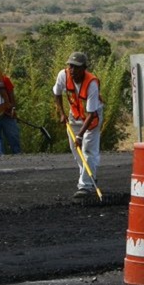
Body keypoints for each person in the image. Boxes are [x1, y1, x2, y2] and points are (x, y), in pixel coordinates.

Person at [53, 52, 105, 198]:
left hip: (92, 119)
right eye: (70, 66)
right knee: (76, 150)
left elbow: (91, 114)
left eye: (76, 67)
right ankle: (90, 176)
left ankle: (85, 186)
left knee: (88, 150)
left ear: (84, 68)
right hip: (74, 116)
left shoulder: (92, 83)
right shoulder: (63, 75)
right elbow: (57, 93)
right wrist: (62, 113)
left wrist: (80, 135)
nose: (72, 70)